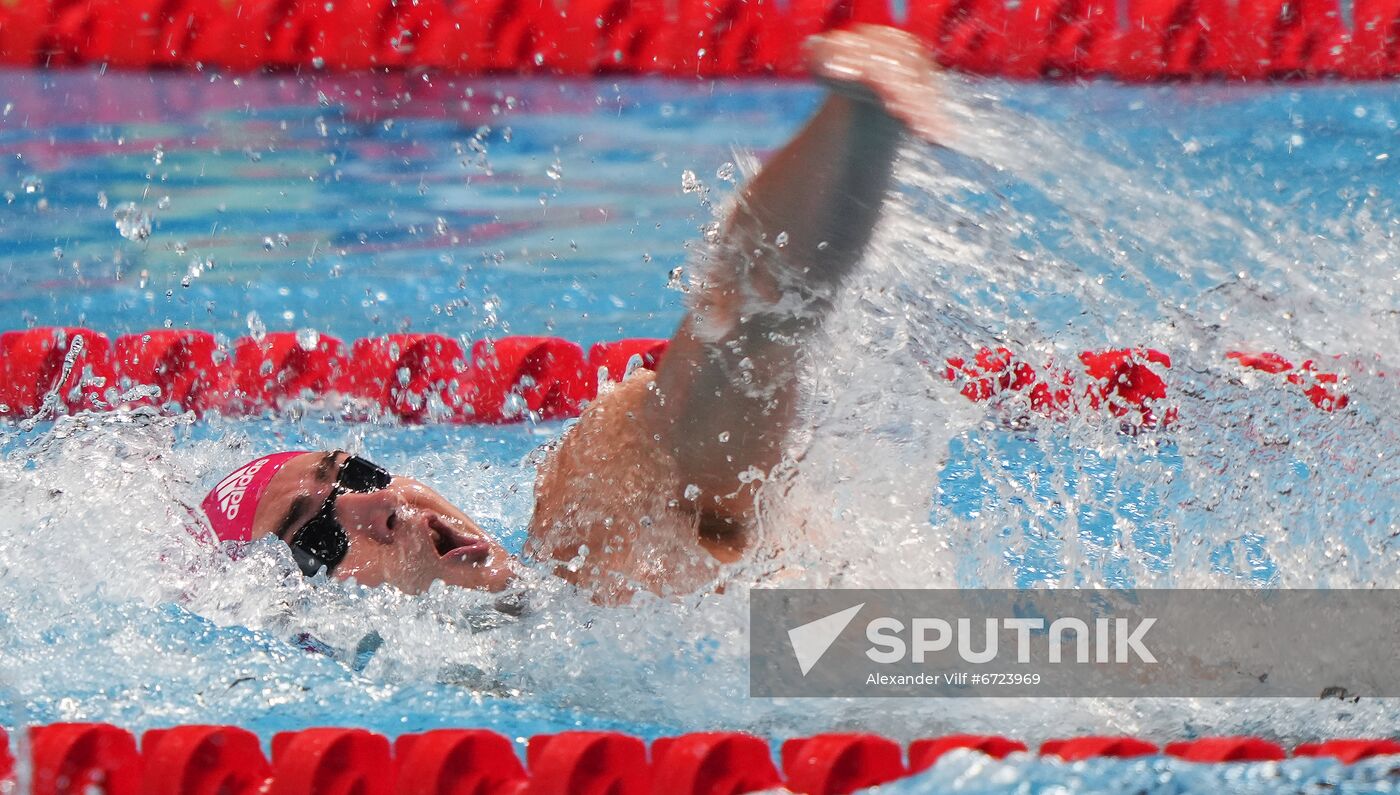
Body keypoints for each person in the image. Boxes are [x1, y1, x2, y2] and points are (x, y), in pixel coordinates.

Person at [200, 25, 945, 603]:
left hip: (906, 664)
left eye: (356, 470)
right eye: (320, 533)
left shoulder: (580, 527)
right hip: (910, 669)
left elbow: (738, 343)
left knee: (713, 457)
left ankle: (856, 125)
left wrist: (860, 130)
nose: (383, 504)